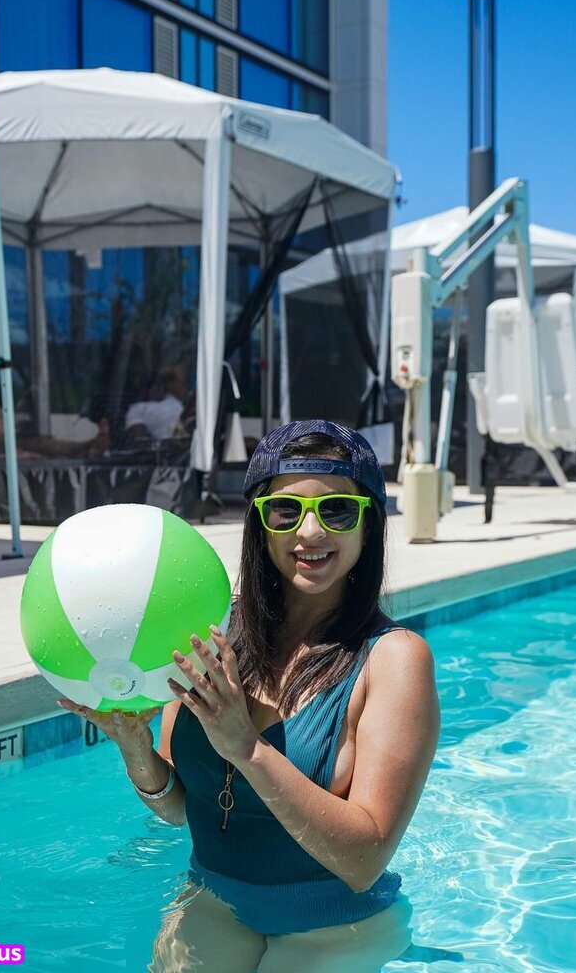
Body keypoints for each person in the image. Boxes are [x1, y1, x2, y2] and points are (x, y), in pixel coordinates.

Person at [58, 419, 440, 971]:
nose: (311, 533)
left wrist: (248, 748)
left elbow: (364, 860)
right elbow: (179, 809)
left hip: (336, 925)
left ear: (369, 525)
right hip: (215, 902)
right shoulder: (210, 632)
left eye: (337, 510)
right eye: (286, 511)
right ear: (260, 523)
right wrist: (135, 748)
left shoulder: (394, 659)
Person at [124, 372, 184, 443]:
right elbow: (140, 439)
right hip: (165, 445)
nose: (156, 389)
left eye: (159, 386)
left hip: (186, 440)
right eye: (152, 386)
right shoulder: (137, 409)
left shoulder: (173, 400)